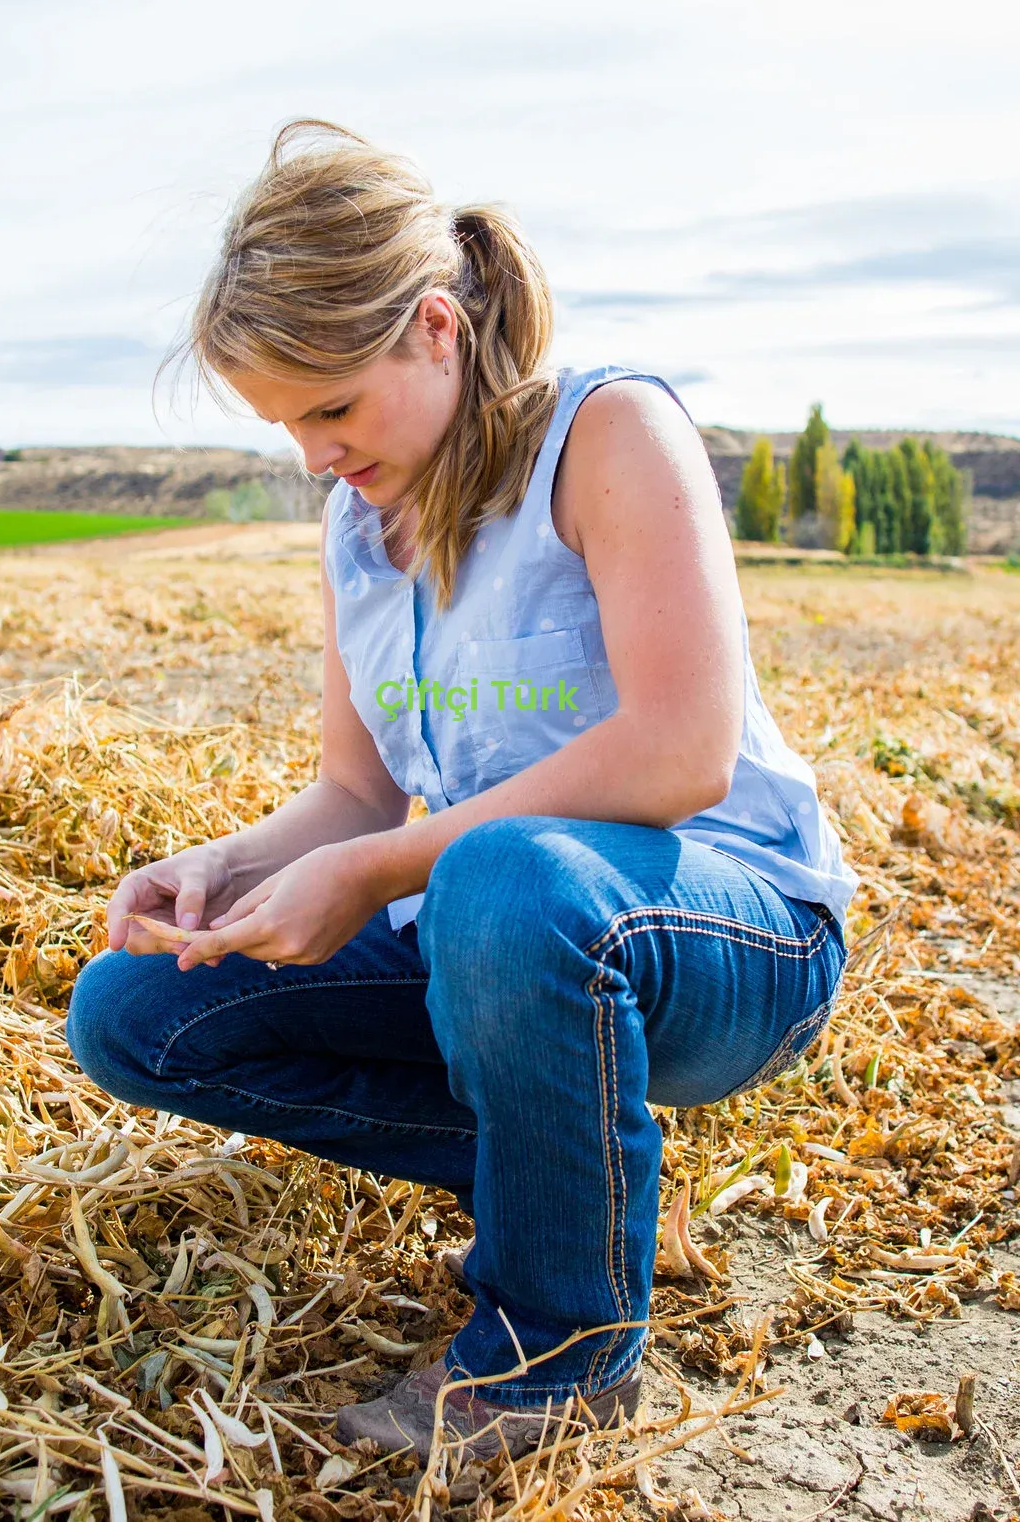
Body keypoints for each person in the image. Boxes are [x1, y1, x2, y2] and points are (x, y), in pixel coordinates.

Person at [67, 121, 856, 1459]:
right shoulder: (356, 528)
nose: (316, 455)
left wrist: (379, 873)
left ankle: (556, 1356)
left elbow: (682, 751)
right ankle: (575, 1179)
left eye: (331, 408)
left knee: (500, 880)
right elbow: (357, 795)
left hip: (731, 933)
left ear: (435, 327)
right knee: (138, 1010)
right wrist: (230, 867)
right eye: (284, 427)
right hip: (504, 935)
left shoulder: (609, 434)